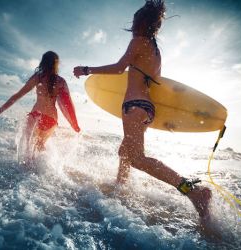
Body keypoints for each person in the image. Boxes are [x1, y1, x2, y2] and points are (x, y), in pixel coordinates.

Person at [73, 0, 213, 230]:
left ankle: (193, 191)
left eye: (135, 21)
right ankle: (121, 190)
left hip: (134, 106)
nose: (133, 25)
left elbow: (119, 68)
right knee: (125, 152)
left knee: (137, 157)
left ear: (141, 23)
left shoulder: (138, 41)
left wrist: (87, 70)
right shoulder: (155, 51)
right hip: (146, 108)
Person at [0, 51, 80, 161]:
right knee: (40, 147)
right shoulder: (61, 81)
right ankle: (43, 171)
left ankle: (26, 173)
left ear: (43, 62)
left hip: (36, 115)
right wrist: (74, 124)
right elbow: (67, 104)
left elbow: (18, 95)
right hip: (51, 120)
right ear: (56, 64)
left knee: (29, 148)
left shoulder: (38, 77)